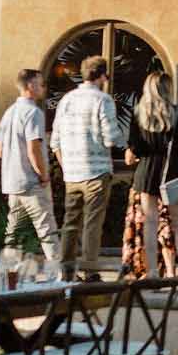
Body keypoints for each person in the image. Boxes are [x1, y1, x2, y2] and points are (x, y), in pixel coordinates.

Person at [50, 56, 125, 277]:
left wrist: (66, 167)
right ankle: (90, 271)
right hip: (96, 171)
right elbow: (111, 137)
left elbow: (55, 140)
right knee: (93, 222)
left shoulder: (67, 100)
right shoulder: (103, 100)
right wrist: (126, 145)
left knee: (70, 223)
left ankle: (66, 271)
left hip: (72, 173)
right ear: (102, 76)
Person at [125, 69, 178, 278]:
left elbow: (135, 147)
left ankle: (152, 271)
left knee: (150, 223)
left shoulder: (138, 114)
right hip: (172, 170)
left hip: (146, 172)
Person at [0, 68, 58, 257]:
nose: (43, 88)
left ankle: (9, 274)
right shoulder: (33, 112)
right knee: (47, 230)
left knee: (13, 233)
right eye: (41, 84)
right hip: (31, 182)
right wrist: (44, 175)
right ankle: (62, 275)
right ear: (30, 86)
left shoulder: (8, 113)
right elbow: (34, 149)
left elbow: (0, 151)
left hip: (12, 182)